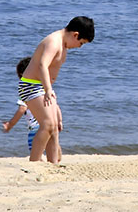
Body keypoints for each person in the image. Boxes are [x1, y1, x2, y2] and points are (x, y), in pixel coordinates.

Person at [19, 16, 95, 163]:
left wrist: (49, 91)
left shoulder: (62, 43)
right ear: (75, 35)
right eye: (81, 43)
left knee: (54, 129)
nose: (79, 47)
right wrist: (48, 90)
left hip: (43, 87)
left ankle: (53, 164)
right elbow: (42, 65)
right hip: (31, 85)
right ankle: (34, 163)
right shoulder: (54, 41)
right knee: (47, 125)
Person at [2, 56, 48, 157]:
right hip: (49, 125)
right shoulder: (44, 89)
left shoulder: (27, 91)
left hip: (36, 129)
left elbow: (22, 109)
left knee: (36, 154)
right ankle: (56, 164)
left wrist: (10, 124)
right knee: (52, 148)